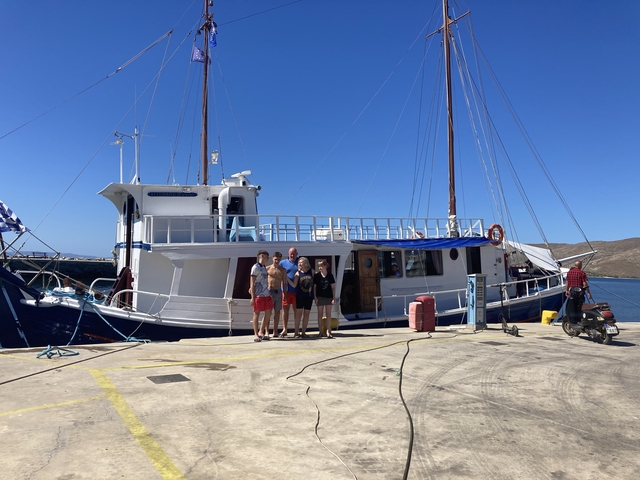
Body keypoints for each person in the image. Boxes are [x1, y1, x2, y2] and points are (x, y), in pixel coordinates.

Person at [250, 250, 273, 342]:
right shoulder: (255, 267)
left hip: (266, 293)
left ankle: (261, 331)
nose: (268, 259)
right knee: (257, 313)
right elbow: (252, 282)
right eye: (267, 257)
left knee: (268, 312)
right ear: (262, 256)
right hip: (258, 294)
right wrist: (252, 297)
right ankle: (256, 334)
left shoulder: (264, 267)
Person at [289, 256, 314, 338]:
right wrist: (287, 279)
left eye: (301, 262)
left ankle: (303, 332)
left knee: (306, 314)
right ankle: (296, 333)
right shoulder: (297, 273)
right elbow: (294, 285)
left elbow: (317, 280)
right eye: (299, 262)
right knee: (298, 314)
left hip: (309, 296)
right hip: (300, 296)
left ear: (306, 263)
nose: (299, 264)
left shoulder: (312, 271)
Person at [279, 247, 299, 337]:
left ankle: (296, 330)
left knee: (296, 311)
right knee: (285, 310)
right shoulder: (282, 263)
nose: (292, 255)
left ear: (297, 254)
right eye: (291, 253)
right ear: (288, 253)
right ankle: (285, 329)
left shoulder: (300, 262)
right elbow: (276, 272)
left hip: (297, 291)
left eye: (294, 254)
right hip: (285, 291)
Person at [266, 252, 287, 337]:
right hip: (269, 291)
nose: (277, 261)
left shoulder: (282, 270)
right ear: (272, 259)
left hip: (278, 291)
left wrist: (285, 294)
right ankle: (266, 332)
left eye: (278, 260)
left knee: (277, 312)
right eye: (275, 259)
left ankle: (275, 331)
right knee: (268, 312)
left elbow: (284, 283)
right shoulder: (267, 268)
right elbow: (262, 280)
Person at [314, 260, 336, 338]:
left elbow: (333, 287)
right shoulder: (317, 276)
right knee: (320, 314)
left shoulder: (330, 276)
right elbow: (315, 288)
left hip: (328, 296)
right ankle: (320, 331)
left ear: (326, 266)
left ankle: (328, 331)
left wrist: (333, 298)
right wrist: (315, 297)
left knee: (328, 314)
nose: (320, 268)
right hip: (320, 296)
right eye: (319, 266)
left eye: (322, 266)